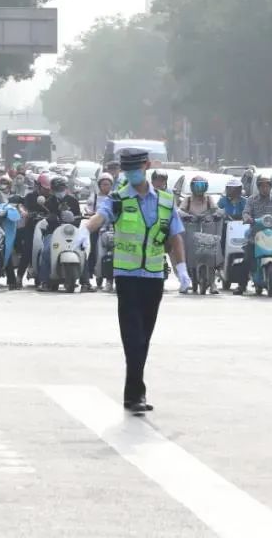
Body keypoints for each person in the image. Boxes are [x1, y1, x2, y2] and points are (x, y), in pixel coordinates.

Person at [72, 149, 191, 413]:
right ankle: (136, 394)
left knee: (144, 337)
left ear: (147, 166)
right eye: (127, 170)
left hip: (153, 277)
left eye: (136, 168)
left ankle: (132, 394)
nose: (131, 173)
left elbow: (175, 236)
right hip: (127, 278)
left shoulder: (165, 200)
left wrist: (181, 268)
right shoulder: (118, 198)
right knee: (133, 337)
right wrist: (84, 229)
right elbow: (100, 216)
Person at [240, 173, 272, 295]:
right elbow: (246, 212)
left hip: (271, 235)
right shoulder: (251, 200)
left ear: (270, 186)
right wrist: (247, 218)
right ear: (258, 187)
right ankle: (242, 285)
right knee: (247, 259)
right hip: (255, 235)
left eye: (267, 186)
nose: (264, 188)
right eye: (262, 186)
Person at [36, 175, 83, 291]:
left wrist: (74, 218)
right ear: (52, 190)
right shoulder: (48, 203)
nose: (60, 191)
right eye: (57, 189)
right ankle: (44, 281)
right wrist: (48, 218)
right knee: (46, 251)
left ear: (66, 188)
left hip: (71, 234)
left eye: (62, 189)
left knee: (83, 250)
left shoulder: (73, 201)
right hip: (53, 233)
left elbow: (79, 218)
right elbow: (43, 216)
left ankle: (86, 282)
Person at [85, 172, 115, 290]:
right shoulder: (94, 197)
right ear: (99, 185)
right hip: (97, 228)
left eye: (108, 184)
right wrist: (91, 214)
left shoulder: (115, 197)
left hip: (112, 228)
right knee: (92, 250)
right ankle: (91, 275)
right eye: (103, 184)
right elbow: (88, 209)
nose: (105, 187)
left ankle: (110, 278)